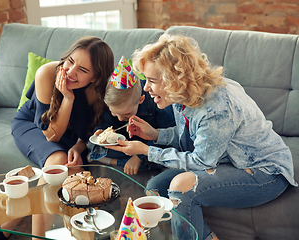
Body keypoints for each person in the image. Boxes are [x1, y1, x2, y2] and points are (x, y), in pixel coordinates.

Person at [107, 34, 297, 240]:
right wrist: (155, 134)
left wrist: (146, 150)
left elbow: (201, 160)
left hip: (265, 172)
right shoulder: (185, 93)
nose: (146, 88)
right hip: (226, 161)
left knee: (180, 187)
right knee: (154, 189)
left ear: (173, 79)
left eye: (151, 81)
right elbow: (195, 136)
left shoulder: (217, 108)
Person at [9, 36, 114, 240]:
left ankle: (3, 230)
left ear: (94, 77)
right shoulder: (47, 73)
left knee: (77, 174)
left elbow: (93, 131)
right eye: (71, 62)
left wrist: (78, 146)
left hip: (70, 137)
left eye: (82, 70)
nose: (71, 72)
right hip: (34, 126)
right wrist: (68, 97)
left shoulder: (97, 91)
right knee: (57, 163)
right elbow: (51, 134)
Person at [88, 56, 175, 175]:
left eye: (127, 114)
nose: (120, 119)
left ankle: (115, 162)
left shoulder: (156, 99)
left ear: (141, 99)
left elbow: (167, 136)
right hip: (127, 143)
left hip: (151, 144)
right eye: (114, 113)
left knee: (165, 155)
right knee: (91, 144)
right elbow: (104, 124)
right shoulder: (113, 101)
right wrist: (101, 132)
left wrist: (139, 157)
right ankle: (124, 160)